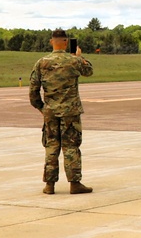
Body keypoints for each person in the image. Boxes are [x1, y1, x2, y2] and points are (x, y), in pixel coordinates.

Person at [29, 29, 94, 195]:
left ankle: (49, 184)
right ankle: (74, 183)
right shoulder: (73, 61)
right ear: (66, 42)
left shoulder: (42, 62)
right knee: (71, 146)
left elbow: (33, 91)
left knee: (51, 146)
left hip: (50, 112)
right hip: (70, 112)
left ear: (52, 41)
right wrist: (79, 57)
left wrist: (42, 108)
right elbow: (89, 71)